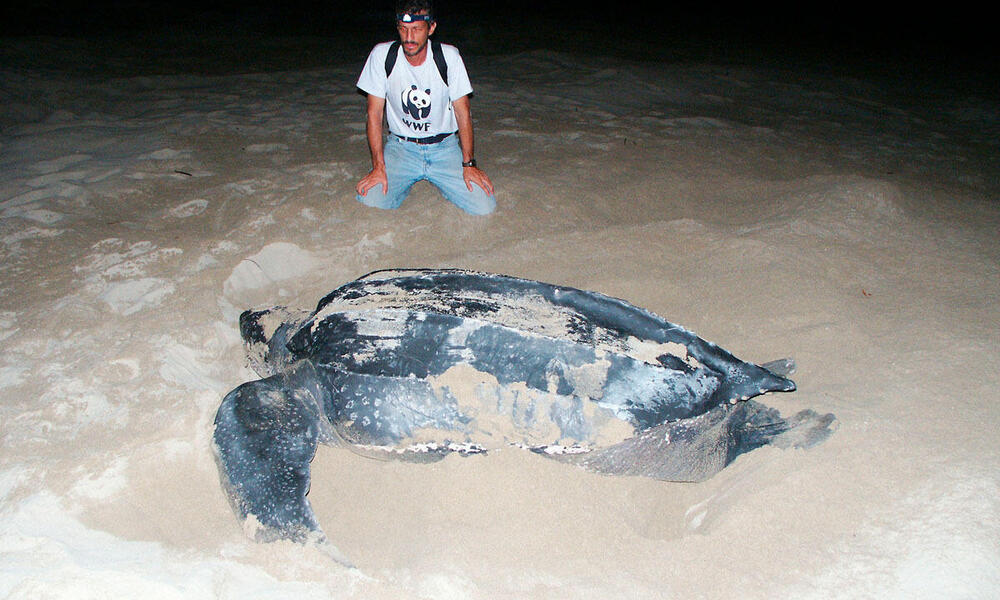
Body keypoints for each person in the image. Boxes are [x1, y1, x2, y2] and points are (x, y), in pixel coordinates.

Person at [354, 0, 496, 215]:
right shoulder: (382, 55)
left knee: (484, 207)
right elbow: (374, 114)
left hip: (444, 148)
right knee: (370, 202)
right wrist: (378, 167)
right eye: (403, 29)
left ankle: (442, 180)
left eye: (417, 30)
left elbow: (463, 113)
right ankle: (403, 180)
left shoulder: (449, 57)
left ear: (431, 28)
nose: (409, 38)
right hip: (401, 148)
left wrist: (469, 164)